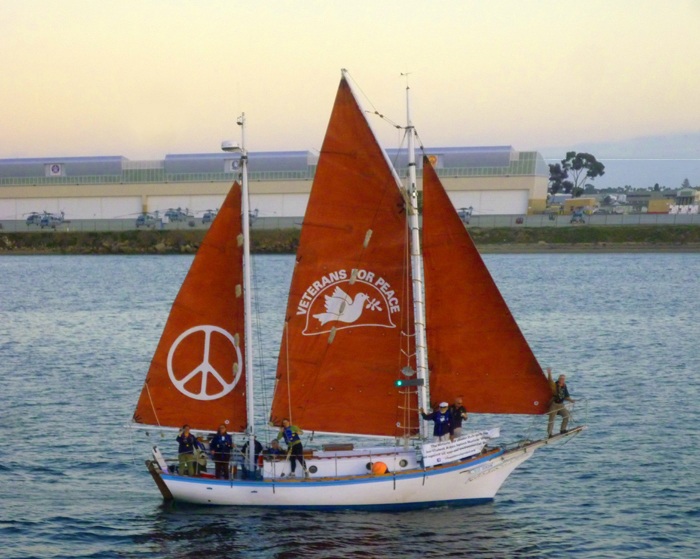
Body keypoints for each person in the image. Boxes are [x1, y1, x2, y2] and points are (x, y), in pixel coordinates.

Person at [547, 367, 575, 437]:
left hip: (561, 405)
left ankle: (563, 429)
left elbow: (566, 396)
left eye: (563, 379)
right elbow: (550, 381)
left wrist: (571, 400)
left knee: (566, 416)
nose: (562, 380)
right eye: (561, 379)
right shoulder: (555, 385)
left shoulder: (564, 386)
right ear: (559, 379)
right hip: (554, 404)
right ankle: (550, 434)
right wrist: (549, 373)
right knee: (551, 420)